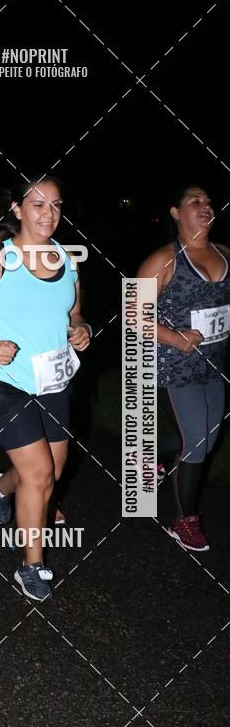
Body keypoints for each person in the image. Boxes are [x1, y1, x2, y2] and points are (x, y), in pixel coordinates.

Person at [0, 176, 91, 600]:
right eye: (37, 204)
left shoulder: (69, 260)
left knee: (51, 473)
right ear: (16, 210)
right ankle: (32, 566)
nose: (48, 213)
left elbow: (75, 312)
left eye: (55, 205)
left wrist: (81, 329)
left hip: (53, 382)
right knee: (40, 473)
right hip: (4, 383)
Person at [137, 185, 230, 551]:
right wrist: (174, 338)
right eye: (195, 202)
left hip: (214, 364)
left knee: (207, 438)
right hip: (175, 365)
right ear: (176, 212)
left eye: (209, 201)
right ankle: (184, 521)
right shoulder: (163, 259)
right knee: (196, 442)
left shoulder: (224, 253)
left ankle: (155, 456)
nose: (205, 206)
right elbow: (134, 314)